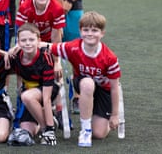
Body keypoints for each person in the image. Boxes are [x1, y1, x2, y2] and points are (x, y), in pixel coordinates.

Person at [41, 11, 121, 147]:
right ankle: (85, 130)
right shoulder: (73, 47)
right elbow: (48, 46)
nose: (90, 34)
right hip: (84, 84)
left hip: (103, 90)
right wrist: (21, 45)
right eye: (86, 30)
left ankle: (100, 119)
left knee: (99, 134)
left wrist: (114, 115)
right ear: (80, 31)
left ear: (102, 33)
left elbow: (114, 87)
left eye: (94, 30)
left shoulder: (110, 58)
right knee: (88, 84)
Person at [8, 23, 58, 146]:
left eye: (31, 39)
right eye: (23, 40)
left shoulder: (45, 57)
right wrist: (6, 54)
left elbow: (46, 98)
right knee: (26, 130)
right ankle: (48, 120)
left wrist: (48, 128)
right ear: (18, 43)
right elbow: (18, 70)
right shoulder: (15, 57)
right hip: (29, 92)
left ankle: (47, 129)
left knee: (27, 96)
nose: (28, 43)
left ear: (39, 41)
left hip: (48, 91)